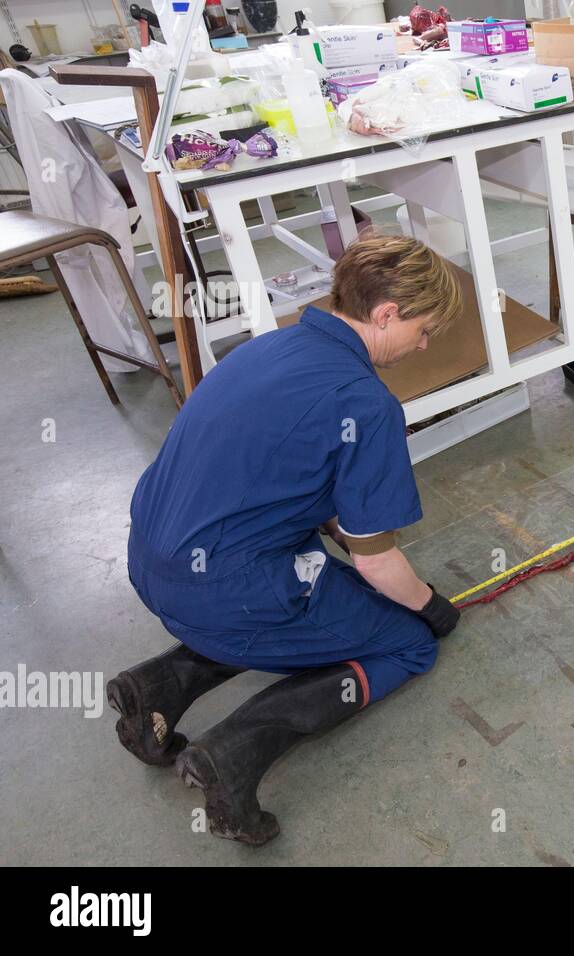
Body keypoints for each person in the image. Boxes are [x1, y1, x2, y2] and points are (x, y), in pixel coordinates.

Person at [109, 234, 464, 846]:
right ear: (386, 315)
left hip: (150, 559)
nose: (424, 345)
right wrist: (430, 606)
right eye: (425, 330)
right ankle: (237, 752)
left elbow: (296, 481)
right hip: (223, 586)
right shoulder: (366, 402)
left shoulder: (267, 347)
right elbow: (377, 563)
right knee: (404, 643)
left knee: (292, 591)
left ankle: (160, 687)